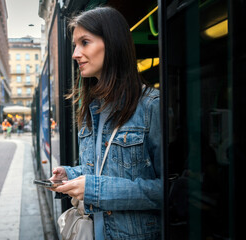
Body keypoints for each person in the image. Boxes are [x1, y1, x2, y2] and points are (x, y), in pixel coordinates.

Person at [49, 7, 161, 240]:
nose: (75, 54)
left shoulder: (151, 106)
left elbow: (168, 190)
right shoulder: (93, 107)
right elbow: (104, 168)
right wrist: (70, 175)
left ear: (112, 43)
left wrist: (95, 190)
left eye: (85, 42)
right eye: (75, 45)